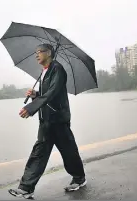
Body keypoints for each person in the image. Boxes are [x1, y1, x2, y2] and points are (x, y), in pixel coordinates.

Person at [8, 43, 86, 199]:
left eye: (40, 52)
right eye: (35, 52)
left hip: (58, 119)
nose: (36, 55)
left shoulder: (58, 69)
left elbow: (53, 93)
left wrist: (31, 107)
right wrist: (36, 94)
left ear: (49, 53)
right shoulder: (45, 71)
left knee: (69, 152)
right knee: (39, 153)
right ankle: (26, 187)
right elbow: (47, 94)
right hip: (46, 120)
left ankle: (79, 178)